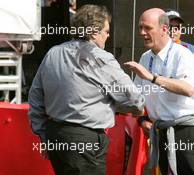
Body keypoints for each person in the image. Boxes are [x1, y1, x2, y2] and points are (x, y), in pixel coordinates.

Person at [28, 4, 145, 175]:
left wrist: (44, 136)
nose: (108, 35)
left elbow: (36, 98)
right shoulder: (101, 58)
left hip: (56, 135)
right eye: (106, 30)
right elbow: (134, 98)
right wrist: (130, 107)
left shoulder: (53, 53)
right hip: (85, 139)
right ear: (93, 32)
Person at [125, 8, 194, 174]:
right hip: (162, 132)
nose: (142, 33)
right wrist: (142, 119)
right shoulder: (145, 57)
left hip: (187, 131)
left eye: (147, 28)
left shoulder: (184, 54)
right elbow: (137, 96)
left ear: (164, 29)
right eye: (140, 28)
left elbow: (188, 89)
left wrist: (152, 77)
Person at [165, 9, 194, 100]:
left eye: (177, 27)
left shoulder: (193, 51)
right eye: (170, 27)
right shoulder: (153, 52)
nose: (174, 31)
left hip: (185, 110)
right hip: (161, 109)